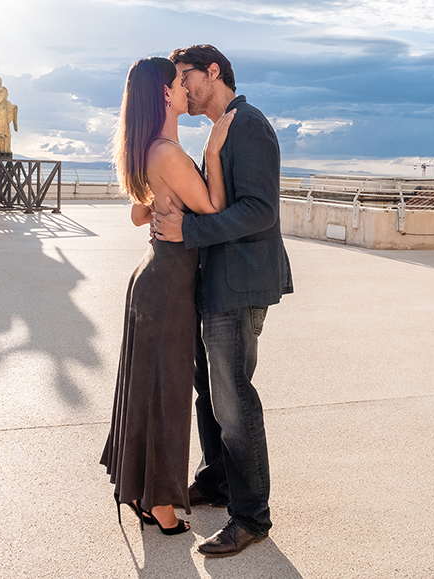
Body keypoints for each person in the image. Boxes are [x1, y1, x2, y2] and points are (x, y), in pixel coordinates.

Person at [152, 44, 294, 557]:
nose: (180, 87)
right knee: (209, 394)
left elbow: (259, 210)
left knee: (233, 400)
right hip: (215, 284)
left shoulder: (248, 125)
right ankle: (216, 481)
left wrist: (187, 230)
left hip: (239, 286)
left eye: (183, 76)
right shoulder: (221, 130)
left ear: (212, 73)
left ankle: (251, 516)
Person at [100, 57, 235, 536]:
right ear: (164, 94)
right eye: (179, 82)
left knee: (148, 387)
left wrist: (162, 204)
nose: (186, 88)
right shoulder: (169, 153)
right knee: (168, 393)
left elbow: (139, 215)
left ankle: (141, 491)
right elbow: (214, 208)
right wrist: (213, 154)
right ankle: (160, 504)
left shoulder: (152, 149)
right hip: (168, 287)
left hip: (154, 278)